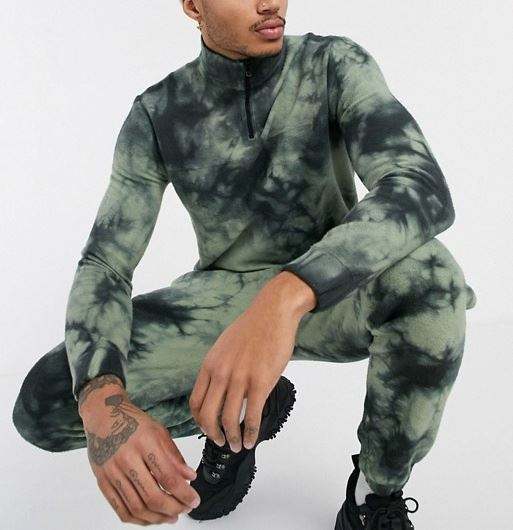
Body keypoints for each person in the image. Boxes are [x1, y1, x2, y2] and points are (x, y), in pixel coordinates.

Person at [11, 0, 477, 528]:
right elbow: (106, 263)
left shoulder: (334, 64)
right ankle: (234, 416)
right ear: (193, 5)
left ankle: (375, 494)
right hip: (221, 300)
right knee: (51, 400)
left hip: (338, 287)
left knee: (432, 278)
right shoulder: (158, 112)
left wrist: (287, 295)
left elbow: (418, 185)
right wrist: (103, 398)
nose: (270, 2)